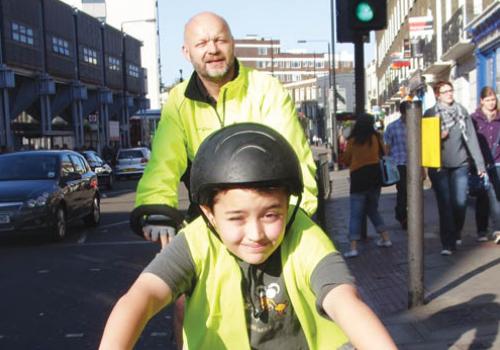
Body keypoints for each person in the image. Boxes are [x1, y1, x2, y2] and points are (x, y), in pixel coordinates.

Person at [100, 123, 397, 350]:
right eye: (236, 218)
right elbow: (141, 298)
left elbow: (345, 301)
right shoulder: (197, 241)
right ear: (209, 214)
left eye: (271, 215)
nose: (255, 234)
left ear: (288, 206)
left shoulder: (304, 235)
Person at [134, 11, 317, 246]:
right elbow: (163, 164)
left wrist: (291, 218)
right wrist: (157, 209)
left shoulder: (266, 89)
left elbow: (295, 160)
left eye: (220, 40)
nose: (212, 49)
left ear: (233, 44)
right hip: (208, 223)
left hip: (264, 223)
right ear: (186, 53)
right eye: (201, 43)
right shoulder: (178, 101)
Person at [424, 81, 486, 255]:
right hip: (439, 167)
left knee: (460, 202)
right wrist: (437, 135)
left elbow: (471, 138)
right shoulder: (430, 114)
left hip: (460, 163)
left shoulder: (461, 112)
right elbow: (425, 142)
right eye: (445, 92)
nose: (449, 94)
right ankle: (447, 243)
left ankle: (456, 231)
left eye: (450, 91)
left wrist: (479, 164)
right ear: (438, 95)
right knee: (445, 205)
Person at [341, 114, 392, 258]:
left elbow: (346, 159)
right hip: (375, 177)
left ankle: (353, 247)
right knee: (372, 209)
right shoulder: (375, 138)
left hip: (358, 179)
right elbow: (384, 152)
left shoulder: (353, 140)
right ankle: (386, 238)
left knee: (355, 214)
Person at [470, 86, 500, 244]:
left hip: (497, 162)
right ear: (481, 101)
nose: (491, 103)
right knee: (482, 198)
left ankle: (497, 229)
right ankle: (481, 230)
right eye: (488, 100)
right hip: (480, 163)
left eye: (493, 99)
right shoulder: (474, 119)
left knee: (496, 197)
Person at [384, 100, 409, 229]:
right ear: (402, 112)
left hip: (413, 165)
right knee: (403, 191)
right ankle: (402, 216)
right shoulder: (392, 127)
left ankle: (407, 215)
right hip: (399, 164)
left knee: (413, 192)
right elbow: (387, 147)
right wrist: (387, 165)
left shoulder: (416, 125)